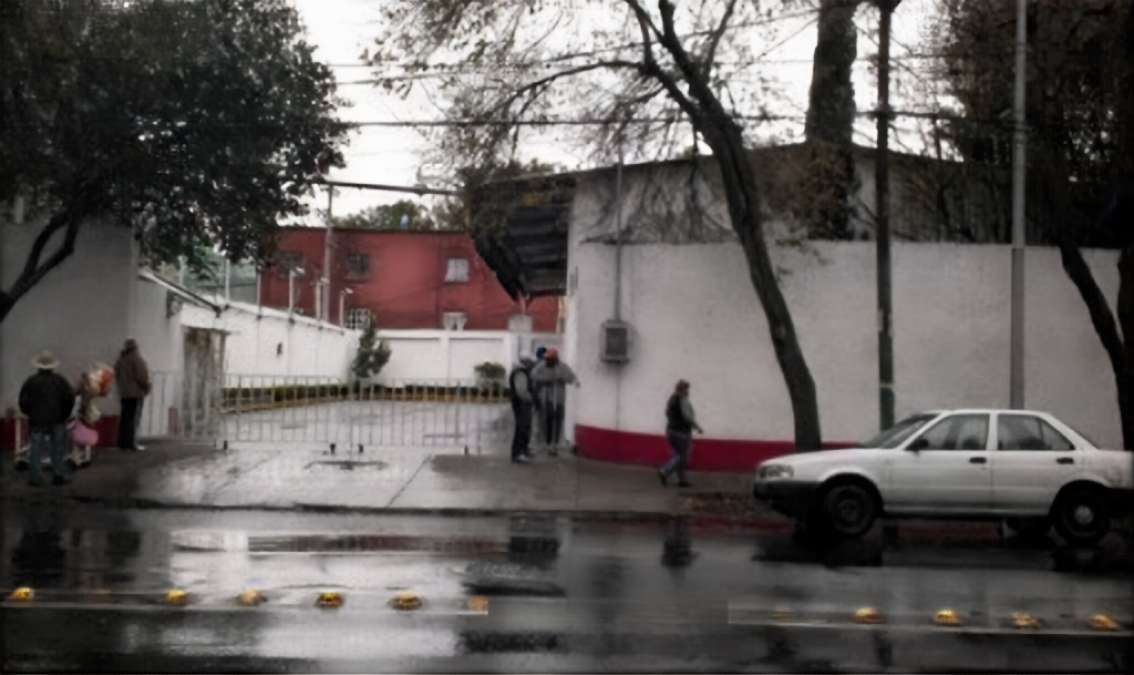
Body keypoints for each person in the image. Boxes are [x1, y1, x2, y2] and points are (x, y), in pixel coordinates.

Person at [18, 351, 77, 487]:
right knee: (57, 448)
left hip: (36, 420)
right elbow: (70, 399)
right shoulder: (60, 381)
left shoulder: (31, 381)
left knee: (35, 449)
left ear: (38, 366)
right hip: (57, 419)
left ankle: (35, 478)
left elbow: (23, 401)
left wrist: (30, 413)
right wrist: (64, 415)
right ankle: (59, 475)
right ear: (53, 366)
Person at [530, 347, 579, 456]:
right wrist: (548, 379)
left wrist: (563, 378)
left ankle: (555, 444)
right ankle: (546, 443)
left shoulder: (562, 367)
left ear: (555, 359)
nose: (547, 361)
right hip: (546, 399)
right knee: (546, 421)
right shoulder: (541, 366)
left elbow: (572, 378)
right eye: (546, 359)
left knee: (558, 421)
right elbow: (533, 376)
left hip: (559, 399)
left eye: (550, 359)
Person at [659, 380, 703, 488]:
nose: (689, 391)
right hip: (681, 432)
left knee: (679, 455)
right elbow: (686, 416)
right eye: (687, 389)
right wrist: (697, 426)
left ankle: (681, 480)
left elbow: (668, 413)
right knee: (682, 456)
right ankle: (665, 471)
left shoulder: (672, 399)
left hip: (671, 431)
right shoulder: (682, 399)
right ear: (684, 389)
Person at [114, 339, 151, 452]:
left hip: (124, 393)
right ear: (135, 347)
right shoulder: (137, 359)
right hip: (135, 392)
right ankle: (132, 443)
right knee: (134, 418)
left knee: (124, 418)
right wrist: (146, 387)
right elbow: (141, 376)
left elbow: (116, 374)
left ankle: (122, 443)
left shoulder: (120, 360)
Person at [508, 352, 537, 463]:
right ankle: (518, 453)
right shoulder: (520, 373)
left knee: (525, 427)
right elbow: (521, 390)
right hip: (521, 403)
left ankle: (523, 450)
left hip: (522, 402)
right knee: (521, 427)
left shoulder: (521, 372)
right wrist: (529, 399)